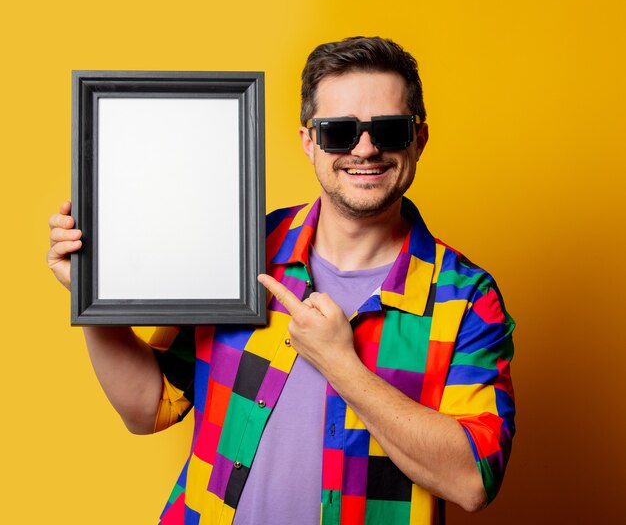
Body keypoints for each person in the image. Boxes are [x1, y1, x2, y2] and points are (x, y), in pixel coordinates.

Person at [47, 36, 515, 524]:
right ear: (309, 141)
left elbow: (471, 481)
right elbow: (148, 408)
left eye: (390, 130)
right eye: (339, 131)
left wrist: (341, 364)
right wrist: (90, 294)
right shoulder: (242, 248)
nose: (366, 148)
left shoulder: (467, 297)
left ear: (418, 139)